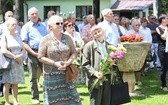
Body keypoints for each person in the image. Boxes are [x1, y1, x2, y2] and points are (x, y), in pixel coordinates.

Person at [38, 15, 81, 105]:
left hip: (66, 73)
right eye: (58, 23)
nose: (61, 25)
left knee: (73, 98)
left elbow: (74, 52)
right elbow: (40, 57)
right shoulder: (45, 39)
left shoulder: (67, 38)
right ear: (50, 27)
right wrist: (54, 63)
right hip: (51, 74)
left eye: (62, 23)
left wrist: (68, 62)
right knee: (53, 100)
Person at [21, 7, 48, 104]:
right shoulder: (26, 27)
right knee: (32, 76)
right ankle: (35, 97)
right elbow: (24, 43)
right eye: (32, 14)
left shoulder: (43, 26)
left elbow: (48, 39)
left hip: (44, 53)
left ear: (38, 14)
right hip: (32, 53)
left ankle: (47, 96)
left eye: (36, 13)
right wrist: (34, 53)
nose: (34, 15)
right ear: (28, 16)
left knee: (47, 75)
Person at [82, 25, 112, 105]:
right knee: (95, 102)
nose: (98, 34)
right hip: (94, 79)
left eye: (99, 31)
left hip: (107, 77)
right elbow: (85, 64)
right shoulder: (89, 46)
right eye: (95, 33)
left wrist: (113, 62)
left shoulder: (109, 46)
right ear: (93, 35)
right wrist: (95, 73)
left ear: (103, 32)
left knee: (106, 101)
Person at [1, 17, 25, 105]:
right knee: (7, 83)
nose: (15, 26)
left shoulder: (18, 36)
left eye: (16, 24)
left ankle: (16, 101)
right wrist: (15, 57)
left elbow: (23, 49)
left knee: (15, 83)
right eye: (13, 25)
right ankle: (7, 102)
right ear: (8, 26)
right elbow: (4, 50)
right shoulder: (4, 36)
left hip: (18, 62)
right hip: (9, 62)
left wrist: (20, 56)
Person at [156, 14, 168, 91]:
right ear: (162, 20)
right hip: (162, 50)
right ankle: (163, 85)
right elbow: (163, 37)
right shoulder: (158, 28)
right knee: (164, 68)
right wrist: (166, 29)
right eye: (167, 18)